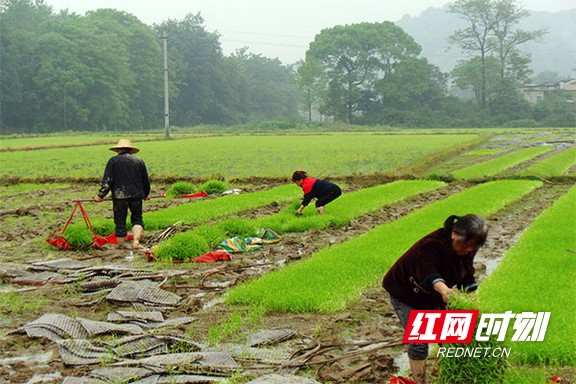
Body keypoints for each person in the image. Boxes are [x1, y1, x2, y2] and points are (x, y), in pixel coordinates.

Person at [382, 214, 488, 384]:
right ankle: (419, 380)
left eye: (473, 247)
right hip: (406, 292)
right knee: (420, 340)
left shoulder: (467, 248)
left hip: (432, 295)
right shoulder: (432, 245)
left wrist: (473, 304)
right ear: (454, 234)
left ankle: (441, 371)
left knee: (452, 334)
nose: (469, 250)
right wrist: (445, 290)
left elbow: (467, 275)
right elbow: (427, 272)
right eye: (467, 245)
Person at [95, 139, 150, 250]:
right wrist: (146, 194)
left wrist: (100, 195)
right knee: (137, 219)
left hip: (119, 196)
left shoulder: (113, 161)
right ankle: (136, 241)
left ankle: (121, 245)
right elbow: (146, 180)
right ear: (130, 150)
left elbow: (108, 181)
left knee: (120, 221)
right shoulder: (139, 161)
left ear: (118, 150)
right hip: (136, 195)